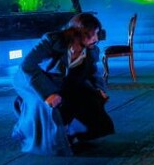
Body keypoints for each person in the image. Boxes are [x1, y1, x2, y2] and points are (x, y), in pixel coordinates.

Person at [11, 12, 113, 155]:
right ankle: (28, 132)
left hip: (57, 81)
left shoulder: (91, 51)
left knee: (89, 97)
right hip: (31, 80)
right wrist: (48, 94)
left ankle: (72, 132)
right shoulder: (52, 40)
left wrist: (99, 89)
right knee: (45, 106)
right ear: (78, 33)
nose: (96, 39)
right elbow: (27, 65)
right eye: (91, 34)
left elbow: (92, 72)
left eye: (97, 34)